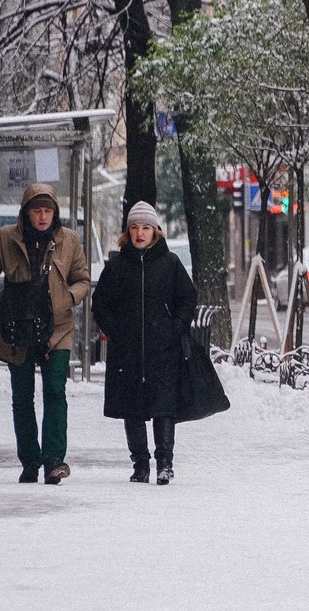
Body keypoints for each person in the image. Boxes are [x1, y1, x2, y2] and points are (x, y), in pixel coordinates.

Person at [0, 183, 91, 485]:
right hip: (17, 329)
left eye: (48, 210)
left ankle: (54, 460)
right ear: (26, 212)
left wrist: (67, 298)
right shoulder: (5, 239)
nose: (42, 216)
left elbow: (83, 280)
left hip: (58, 329)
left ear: (55, 213)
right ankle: (29, 460)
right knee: (22, 397)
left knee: (55, 390)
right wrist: (2, 299)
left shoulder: (69, 241)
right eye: (37, 210)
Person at [92, 202, 197, 485]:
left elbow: (187, 298)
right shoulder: (116, 266)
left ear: (155, 232)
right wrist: (116, 331)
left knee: (164, 405)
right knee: (132, 407)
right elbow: (100, 304)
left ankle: (165, 462)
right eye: (135, 228)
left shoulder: (170, 263)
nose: (140, 233)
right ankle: (140, 463)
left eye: (146, 228)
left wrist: (174, 329)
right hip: (127, 350)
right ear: (128, 232)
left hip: (162, 349)